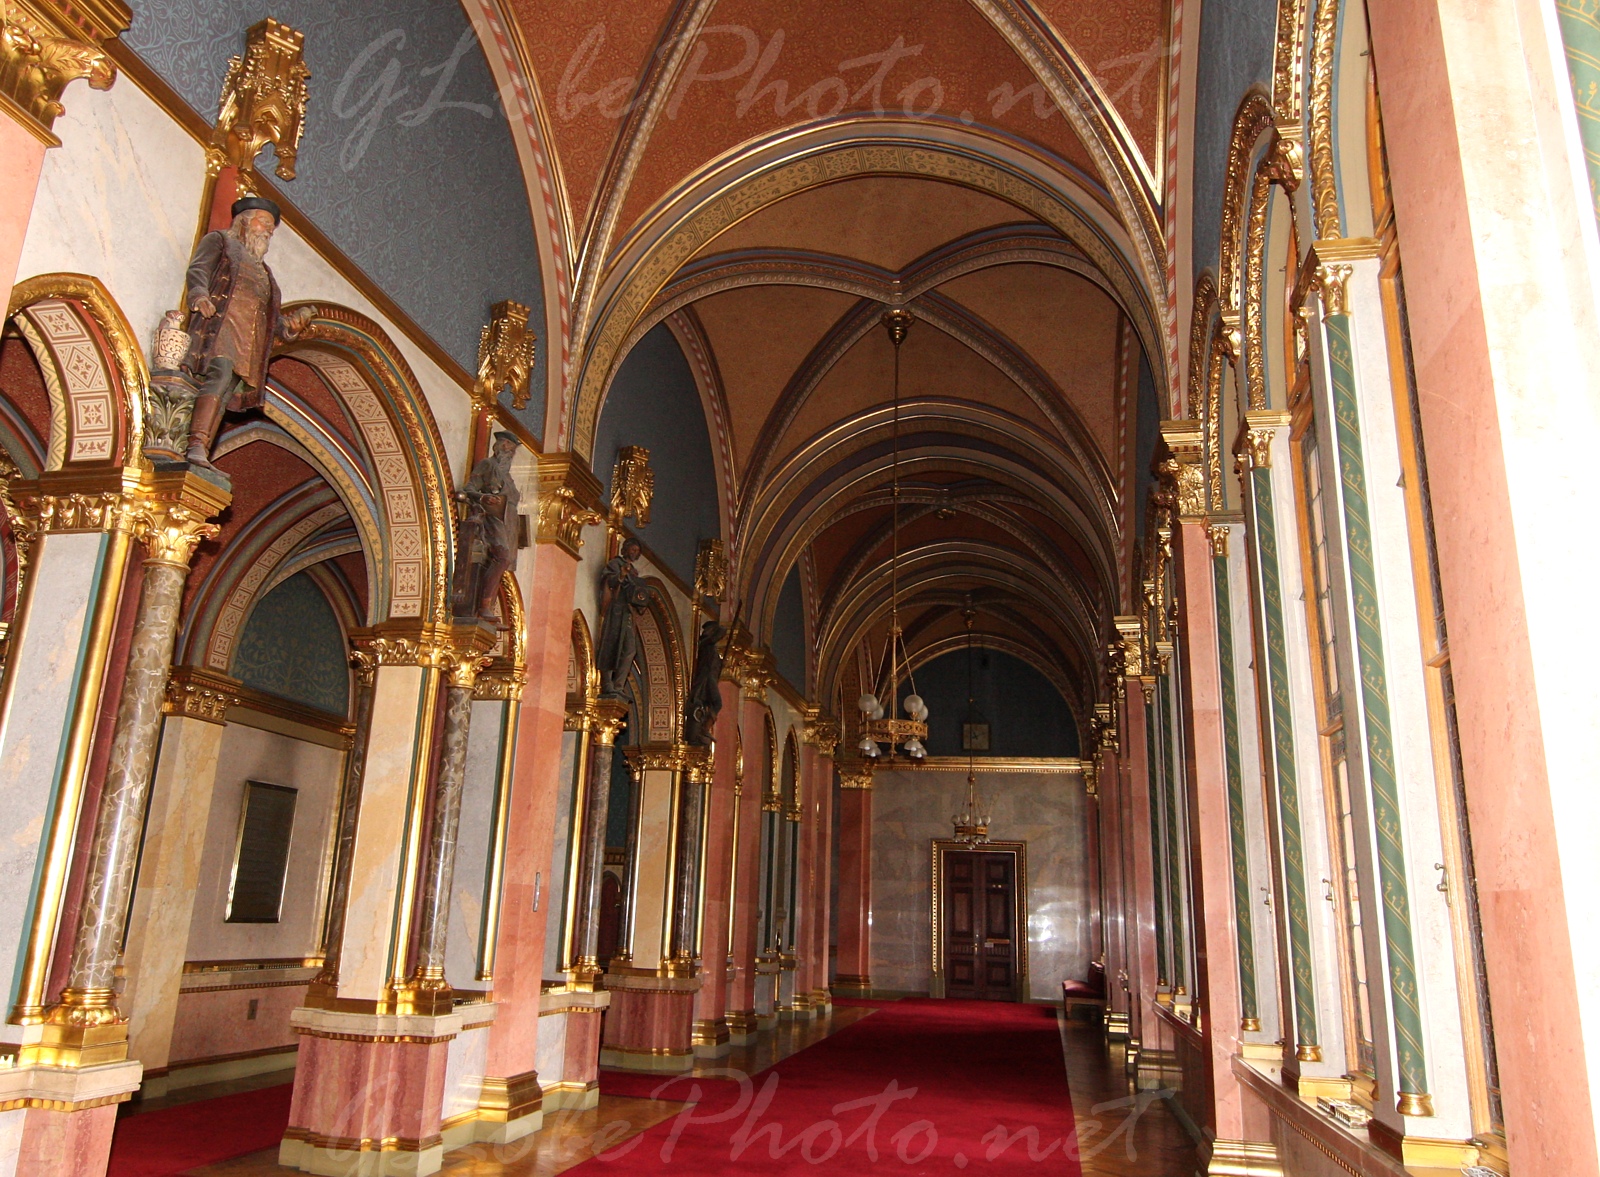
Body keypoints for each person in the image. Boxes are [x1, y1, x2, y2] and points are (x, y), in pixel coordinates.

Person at [181, 196, 314, 468]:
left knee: (227, 388)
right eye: (263, 222)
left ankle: (202, 449)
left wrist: (290, 327)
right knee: (219, 375)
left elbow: (272, 317)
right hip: (222, 325)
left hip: (248, 338)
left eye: (271, 228)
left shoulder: (265, 272)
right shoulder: (221, 241)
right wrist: (199, 295)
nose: (267, 230)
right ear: (244, 220)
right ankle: (195, 442)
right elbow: (199, 269)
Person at [454, 432, 522, 621]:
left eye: (513, 449)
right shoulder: (487, 464)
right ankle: (484, 605)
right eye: (509, 446)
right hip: (492, 517)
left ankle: (486, 606)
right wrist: (483, 497)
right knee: (502, 558)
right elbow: (469, 489)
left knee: (503, 562)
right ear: (500, 445)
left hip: (508, 521)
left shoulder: (507, 476)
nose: (511, 451)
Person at [597, 538, 651, 698]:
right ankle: (607, 683)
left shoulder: (634, 572)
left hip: (627, 612)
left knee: (629, 649)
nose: (634, 553)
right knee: (611, 645)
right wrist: (620, 575)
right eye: (632, 549)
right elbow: (608, 581)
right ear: (625, 549)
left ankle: (619, 684)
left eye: (637, 551)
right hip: (615, 611)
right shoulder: (615, 564)